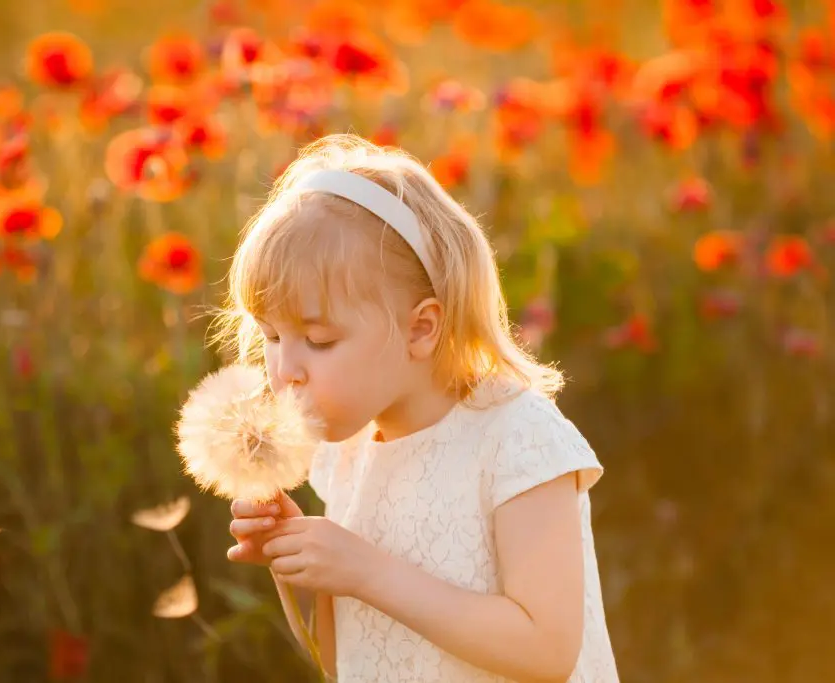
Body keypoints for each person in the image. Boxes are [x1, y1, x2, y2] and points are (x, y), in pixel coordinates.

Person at [214, 133, 619, 682]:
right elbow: (351, 664)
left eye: (320, 340)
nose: (286, 368)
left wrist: (363, 569)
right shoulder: (349, 454)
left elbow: (545, 650)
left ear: (420, 329)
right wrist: (305, 558)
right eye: (271, 336)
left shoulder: (517, 439)